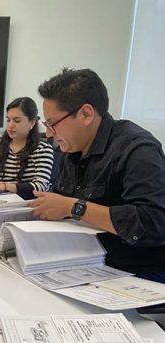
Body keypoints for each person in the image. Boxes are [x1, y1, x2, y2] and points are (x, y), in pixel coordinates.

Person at [32, 68, 165, 279]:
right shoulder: (71, 149)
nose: (49, 133)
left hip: (135, 273)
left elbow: (153, 224)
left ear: (86, 114)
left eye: (53, 124)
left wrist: (74, 207)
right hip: (81, 263)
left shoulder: (137, 149)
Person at [0, 97, 54, 200]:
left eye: (17, 121)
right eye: (8, 120)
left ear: (32, 123)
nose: (10, 125)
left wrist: (5, 186)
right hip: (0, 198)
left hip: (26, 202)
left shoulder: (43, 150)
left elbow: (41, 186)